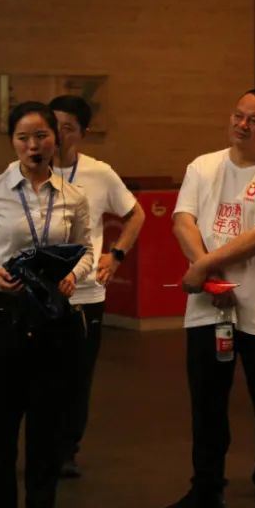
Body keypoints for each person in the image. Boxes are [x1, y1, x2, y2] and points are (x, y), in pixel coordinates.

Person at [0, 101, 94, 508]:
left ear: (57, 138)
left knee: (47, 434)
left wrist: (74, 275)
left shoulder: (73, 195)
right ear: (13, 142)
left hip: (54, 320)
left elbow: (87, 249)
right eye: (23, 137)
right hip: (2, 316)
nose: (33, 145)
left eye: (41, 136)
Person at [163, 89, 255, 508]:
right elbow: (183, 220)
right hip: (208, 307)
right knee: (207, 405)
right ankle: (206, 491)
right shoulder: (203, 166)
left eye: (254, 120)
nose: (243, 125)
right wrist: (209, 275)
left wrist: (203, 267)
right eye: (238, 116)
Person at [47, 95, 145, 477]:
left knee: (77, 376)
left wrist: (116, 254)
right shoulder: (27, 170)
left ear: (83, 133)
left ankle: (66, 451)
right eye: (53, 126)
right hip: (38, 291)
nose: (59, 135)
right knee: (33, 375)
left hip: (85, 293)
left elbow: (135, 214)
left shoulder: (99, 173)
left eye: (68, 128)